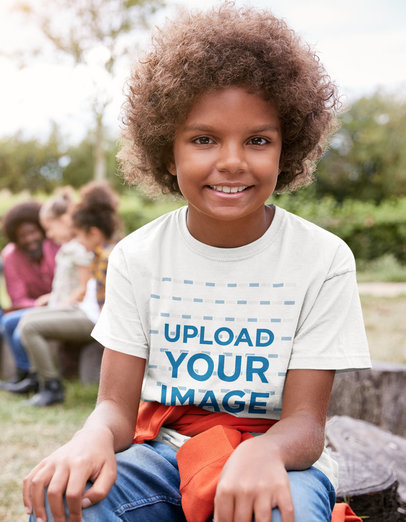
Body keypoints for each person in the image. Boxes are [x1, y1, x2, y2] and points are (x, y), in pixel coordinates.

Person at [23, 4, 371, 522]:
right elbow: (115, 408)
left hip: (279, 459)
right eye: (204, 139)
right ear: (168, 151)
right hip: (164, 452)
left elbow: (304, 422)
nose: (231, 161)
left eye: (257, 140)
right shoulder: (138, 257)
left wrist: (265, 451)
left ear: (286, 149)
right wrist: (91, 437)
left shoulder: (322, 260)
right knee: (70, 508)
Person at [18, 182, 120, 407]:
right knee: (28, 319)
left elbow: (107, 309)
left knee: (29, 326)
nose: (79, 243)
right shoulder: (101, 252)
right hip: (85, 312)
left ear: (93, 232)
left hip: (92, 320)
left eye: (81, 237)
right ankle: (42, 381)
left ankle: (52, 387)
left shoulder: (108, 257)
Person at [4, 187, 93, 397]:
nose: (48, 235)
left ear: (64, 220)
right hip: (61, 305)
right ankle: (33, 377)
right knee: (19, 323)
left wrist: (59, 304)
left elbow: (82, 286)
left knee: (28, 325)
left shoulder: (75, 248)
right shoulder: (65, 247)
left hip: (77, 310)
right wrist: (50, 300)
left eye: (47, 229)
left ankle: (49, 384)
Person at [0, 200, 59, 389]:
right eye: (23, 235)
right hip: (33, 307)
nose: (29, 238)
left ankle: (33, 377)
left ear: (41, 229)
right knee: (9, 322)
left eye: (33, 232)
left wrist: (52, 300)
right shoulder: (10, 255)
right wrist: (39, 304)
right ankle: (24, 373)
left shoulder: (55, 246)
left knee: (16, 327)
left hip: (62, 304)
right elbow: (18, 298)